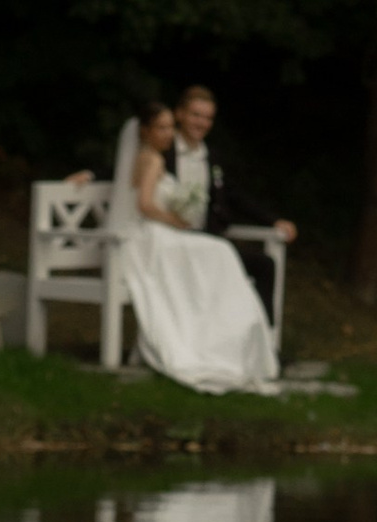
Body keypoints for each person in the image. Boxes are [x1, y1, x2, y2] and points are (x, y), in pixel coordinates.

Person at [106, 101, 278, 393]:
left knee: (216, 252)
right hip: (151, 235)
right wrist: (174, 219)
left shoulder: (145, 157)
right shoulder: (155, 159)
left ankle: (227, 337)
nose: (169, 133)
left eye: (170, 127)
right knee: (217, 253)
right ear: (145, 131)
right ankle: (214, 341)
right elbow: (145, 204)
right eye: (162, 127)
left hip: (147, 236)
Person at [168, 87, 297, 324]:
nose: (202, 123)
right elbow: (131, 171)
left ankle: (265, 344)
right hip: (173, 245)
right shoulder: (165, 153)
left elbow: (235, 196)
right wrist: (93, 175)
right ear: (180, 114)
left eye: (208, 118)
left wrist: (273, 220)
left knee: (264, 265)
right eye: (196, 115)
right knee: (223, 263)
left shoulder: (212, 156)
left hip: (209, 242)